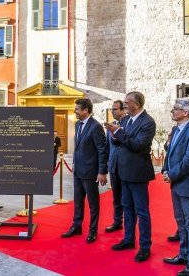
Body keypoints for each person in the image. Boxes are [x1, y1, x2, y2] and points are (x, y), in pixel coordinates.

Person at [105, 91, 156, 263]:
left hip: (138, 173)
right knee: (127, 207)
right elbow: (120, 143)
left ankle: (145, 246)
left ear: (137, 104)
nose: (125, 105)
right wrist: (114, 134)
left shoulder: (148, 122)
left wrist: (118, 133)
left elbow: (138, 145)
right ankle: (128, 240)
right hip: (123, 171)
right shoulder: (125, 120)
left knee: (141, 211)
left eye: (128, 102)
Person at [162, 97, 189, 276]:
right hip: (178, 183)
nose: (172, 111)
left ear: (186, 112)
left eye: (175, 109)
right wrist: (166, 169)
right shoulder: (177, 129)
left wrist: (171, 174)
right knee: (181, 222)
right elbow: (171, 152)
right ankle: (184, 253)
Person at [61, 98, 108, 243]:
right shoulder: (77, 124)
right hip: (77, 170)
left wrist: (102, 172)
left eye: (77, 109)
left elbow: (102, 150)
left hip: (90, 172)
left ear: (86, 110)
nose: (74, 111)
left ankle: (93, 231)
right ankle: (76, 226)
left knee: (93, 204)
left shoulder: (95, 127)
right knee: (78, 202)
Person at [104, 100, 126, 233]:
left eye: (115, 109)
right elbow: (107, 148)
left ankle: (130, 224)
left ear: (123, 110)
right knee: (116, 197)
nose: (112, 111)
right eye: (112, 109)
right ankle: (117, 221)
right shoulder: (110, 126)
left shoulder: (128, 125)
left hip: (126, 167)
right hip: (113, 167)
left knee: (127, 198)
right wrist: (103, 169)